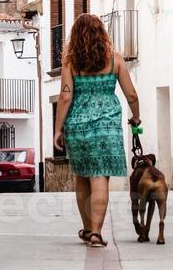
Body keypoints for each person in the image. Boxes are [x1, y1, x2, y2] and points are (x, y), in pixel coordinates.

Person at [53, 13, 141, 248]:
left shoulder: (71, 63)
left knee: (82, 176)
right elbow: (131, 94)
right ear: (102, 33)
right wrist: (136, 117)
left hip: (78, 124)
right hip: (107, 126)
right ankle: (96, 233)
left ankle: (88, 227)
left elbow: (64, 96)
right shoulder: (115, 60)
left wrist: (57, 130)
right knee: (100, 175)